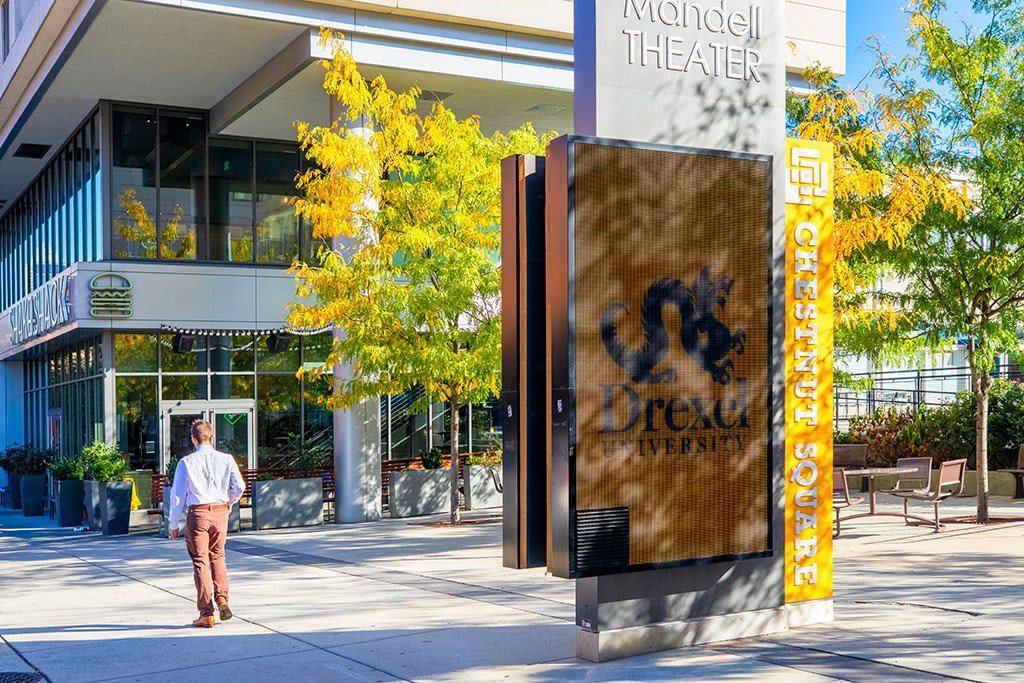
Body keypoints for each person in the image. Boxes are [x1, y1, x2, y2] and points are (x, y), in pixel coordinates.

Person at [166, 419, 246, 628]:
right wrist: (228, 500)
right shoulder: (226, 459)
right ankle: (222, 598)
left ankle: (206, 613)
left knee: (200, 561)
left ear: (193, 439)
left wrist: (174, 523)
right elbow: (240, 486)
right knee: (218, 556)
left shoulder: (186, 462)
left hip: (199, 514)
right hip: (220, 513)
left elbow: (178, 496)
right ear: (211, 436)